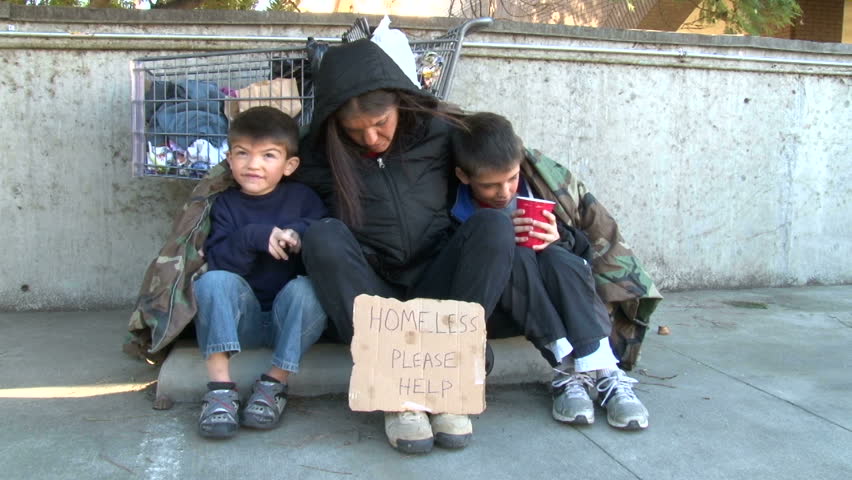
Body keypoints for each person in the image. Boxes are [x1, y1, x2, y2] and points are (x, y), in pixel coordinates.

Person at [294, 39, 516, 454]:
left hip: (438, 280)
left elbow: (501, 162)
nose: (371, 137)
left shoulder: (442, 131)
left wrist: (563, 229)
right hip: (372, 292)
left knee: (492, 227)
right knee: (322, 236)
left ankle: (451, 378)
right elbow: (266, 180)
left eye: (381, 123)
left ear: (400, 103)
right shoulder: (316, 155)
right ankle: (396, 391)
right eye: (355, 131)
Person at [449, 112, 649, 430]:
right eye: (489, 185)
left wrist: (560, 236)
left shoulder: (537, 188)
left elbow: (584, 253)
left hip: (557, 282)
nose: (504, 191)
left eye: (511, 178)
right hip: (503, 298)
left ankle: (603, 368)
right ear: (464, 176)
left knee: (560, 258)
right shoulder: (456, 207)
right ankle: (568, 370)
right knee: (514, 256)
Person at [193, 106, 329, 439]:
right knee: (211, 281)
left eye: (268, 155)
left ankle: (274, 384)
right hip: (243, 322)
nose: (253, 165)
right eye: (243, 154)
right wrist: (255, 236)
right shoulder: (224, 204)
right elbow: (222, 264)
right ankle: (220, 389)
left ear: (289, 165)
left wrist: (298, 234)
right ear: (229, 158)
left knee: (311, 289)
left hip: (291, 321)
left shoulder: (303, 198)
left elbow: (323, 231)